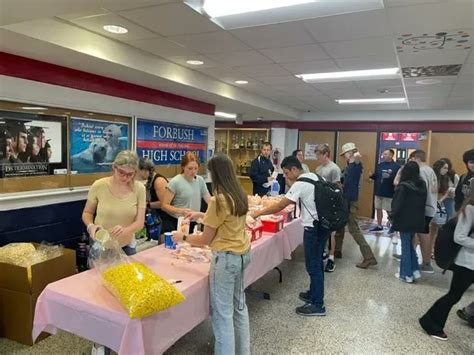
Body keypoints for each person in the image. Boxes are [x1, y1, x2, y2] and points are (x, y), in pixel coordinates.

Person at [172, 154, 251, 355]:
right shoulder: (239, 193)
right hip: (242, 254)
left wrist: (183, 238)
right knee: (239, 308)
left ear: (215, 174)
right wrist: (200, 215)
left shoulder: (218, 199)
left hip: (225, 259)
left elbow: (205, 239)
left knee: (222, 314)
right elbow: (225, 219)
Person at [250, 156, 329, 316]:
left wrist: (258, 212)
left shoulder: (300, 183)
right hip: (322, 226)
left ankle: (317, 304)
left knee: (313, 266)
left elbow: (281, 205)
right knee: (317, 264)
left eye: (286, 173)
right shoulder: (314, 176)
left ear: (294, 169)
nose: (285, 177)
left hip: (312, 229)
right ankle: (313, 293)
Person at [419, 179, 474, 340]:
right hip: (467, 263)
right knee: (454, 296)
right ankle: (431, 322)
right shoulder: (470, 209)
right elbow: (460, 237)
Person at [82, 150, 146, 255]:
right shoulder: (99, 185)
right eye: (121, 172)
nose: (125, 177)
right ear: (114, 167)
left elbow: (139, 222)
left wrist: (125, 230)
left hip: (126, 245)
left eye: (130, 174)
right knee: (98, 271)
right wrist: (91, 226)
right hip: (100, 244)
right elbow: (87, 213)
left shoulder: (139, 189)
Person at [334, 143, 377, 269]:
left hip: (350, 201)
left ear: (351, 153)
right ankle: (337, 250)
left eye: (345, 154)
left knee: (353, 229)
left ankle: (369, 257)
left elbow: (358, 158)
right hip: (345, 200)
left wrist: (355, 155)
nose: (344, 157)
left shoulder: (356, 165)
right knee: (340, 225)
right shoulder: (348, 166)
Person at [391, 161, 427, 283]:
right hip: (417, 220)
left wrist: (392, 217)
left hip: (404, 220)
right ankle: (415, 270)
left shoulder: (403, 187)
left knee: (405, 247)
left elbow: (397, 205)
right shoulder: (422, 185)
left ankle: (406, 275)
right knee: (410, 246)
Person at [161, 152, 211, 232]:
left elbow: (209, 201)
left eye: (196, 168)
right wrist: (180, 211)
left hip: (193, 221)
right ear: (183, 167)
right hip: (177, 221)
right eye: (190, 168)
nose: (193, 171)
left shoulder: (200, 180)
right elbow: (164, 205)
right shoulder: (175, 182)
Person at [409, 150, 438, 274]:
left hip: (423, 208)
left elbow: (421, 191)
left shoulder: (421, 171)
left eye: (411, 160)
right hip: (429, 206)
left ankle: (426, 263)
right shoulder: (430, 170)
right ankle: (411, 255)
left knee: (423, 234)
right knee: (418, 233)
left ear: (416, 158)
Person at [315, 143, 341, 272]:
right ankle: (324, 251)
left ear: (326, 154)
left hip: (331, 203)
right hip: (321, 203)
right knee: (322, 229)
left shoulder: (334, 168)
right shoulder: (318, 168)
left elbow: (337, 187)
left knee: (332, 233)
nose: (317, 158)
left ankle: (331, 258)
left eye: (319, 155)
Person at [369, 149, 400, 232]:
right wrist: (372, 176)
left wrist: (390, 177)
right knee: (378, 208)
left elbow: (398, 179)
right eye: (383, 154)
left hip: (389, 192)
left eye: (386, 154)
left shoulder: (396, 166)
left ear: (391, 155)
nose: (384, 155)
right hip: (379, 191)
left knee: (389, 210)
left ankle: (393, 225)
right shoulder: (380, 165)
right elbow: (377, 176)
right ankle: (379, 225)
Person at [430, 159, 451, 255]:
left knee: (439, 228)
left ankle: (434, 250)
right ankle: (429, 249)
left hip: (440, 205)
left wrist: (441, 200)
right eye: (444, 168)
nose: (446, 170)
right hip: (430, 204)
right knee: (430, 229)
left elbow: (447, 191)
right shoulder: (432, 177)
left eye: (447, 168)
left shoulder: (446, 178)